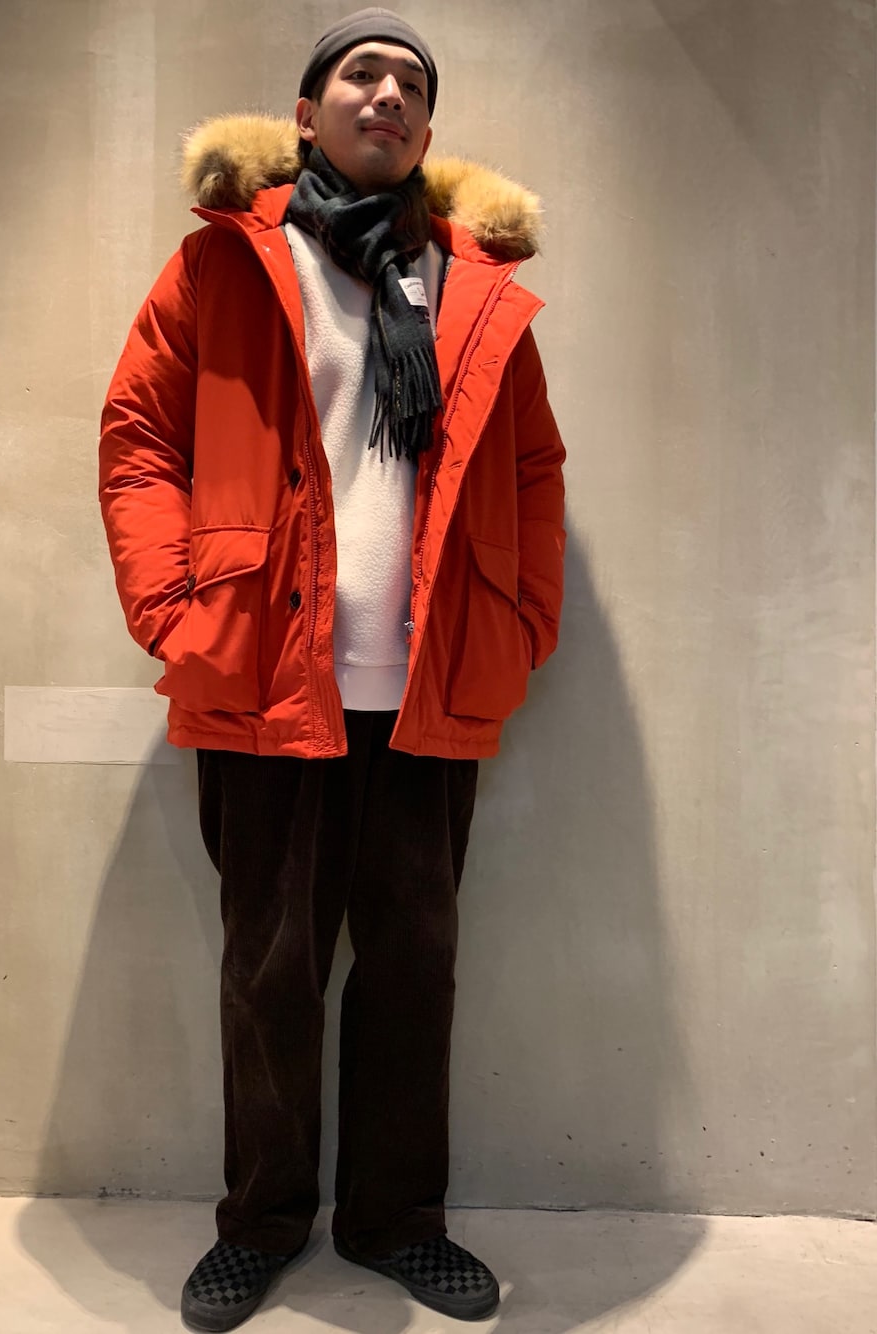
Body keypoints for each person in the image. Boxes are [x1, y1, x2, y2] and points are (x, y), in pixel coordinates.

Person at [99, 9, 566, 1329]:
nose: (388, 94)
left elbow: (534, 467)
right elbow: (140, 437)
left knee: (415, 967)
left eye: (412, 82)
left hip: (429, 688)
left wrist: (523, 619)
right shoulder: (227, 262)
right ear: (307, 114)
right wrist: (174, 610)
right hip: (262, 677)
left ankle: (396, 1220)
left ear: (427, 126)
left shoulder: (473, 284)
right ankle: (260, 1223)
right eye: (362, 73)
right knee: (270, 973)